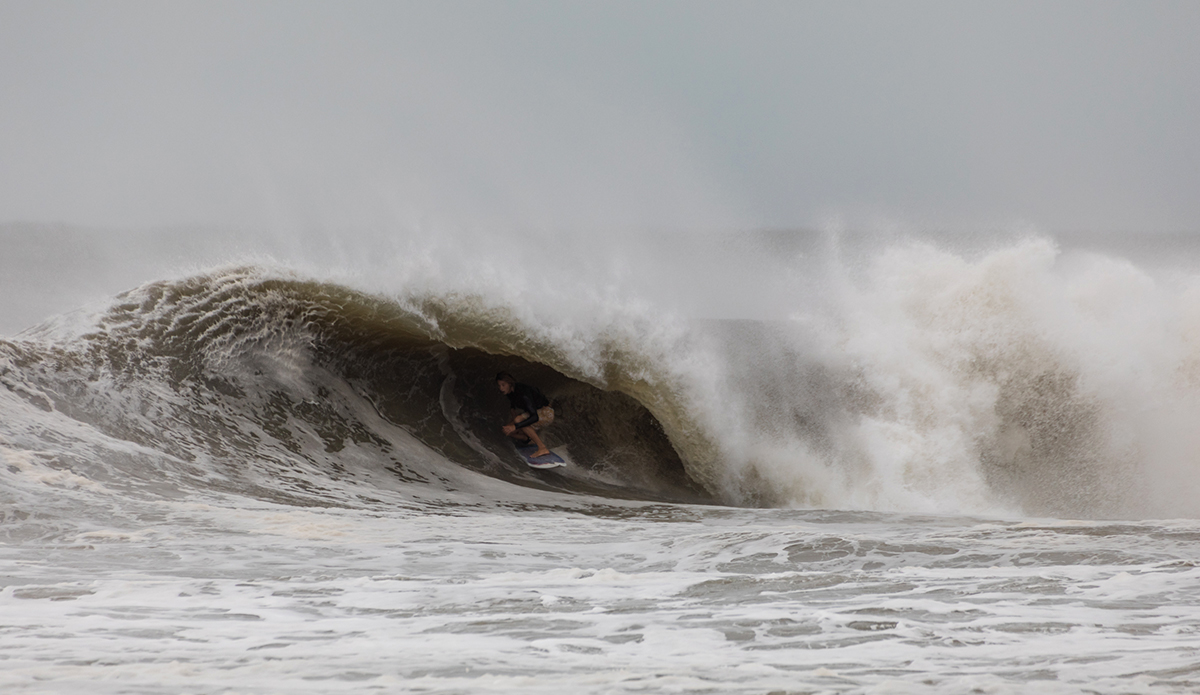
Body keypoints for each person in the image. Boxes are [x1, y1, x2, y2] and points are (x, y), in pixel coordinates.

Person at [496, 372, 554, 459]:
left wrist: (516, 426)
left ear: (510, 383)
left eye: (503, 385)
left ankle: (542, 448)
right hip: (538, 412)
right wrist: (512, 410)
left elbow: (535, 417)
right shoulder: (510, 391)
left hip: (546, 413)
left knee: (518, 421)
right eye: (499, 385)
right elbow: (513, 401)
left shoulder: (523, 393)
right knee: (507, 430)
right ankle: (527, 439)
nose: (501, 388)